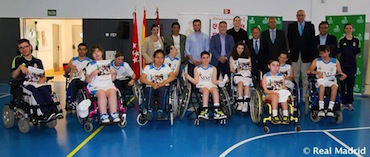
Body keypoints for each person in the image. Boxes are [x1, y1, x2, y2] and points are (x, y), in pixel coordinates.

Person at [11, 39, 61, 121]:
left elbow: (43, 75)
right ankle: (43, 112)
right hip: (24, 84)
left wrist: (43, 79)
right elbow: (13, 76)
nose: (24, 49)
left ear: (30, 47)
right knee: (34, 91)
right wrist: (20, 67)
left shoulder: (37, 61)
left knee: (45, 89)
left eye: (26, 46)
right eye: (21, 48)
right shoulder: (17, 60)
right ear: (19, 50)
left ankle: (53, 110)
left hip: (37, 82)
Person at [184, 51, 227, 120]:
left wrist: (222, 81)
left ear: (209, 59)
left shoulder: (213, 68)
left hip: (211, 84)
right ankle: (205, 110)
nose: (205, 60)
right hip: (202, 85)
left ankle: (217, 110)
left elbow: (214, 81)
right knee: (206, 91)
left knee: (215, 90)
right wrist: (188, 76)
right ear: (200, 59)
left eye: (207, 58)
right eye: (203, 58)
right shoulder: (197, 69)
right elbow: (196, 81)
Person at [307, 45, 346, 117]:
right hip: (321, 80)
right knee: (322, 87)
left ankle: (330, 108)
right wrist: (317, 72)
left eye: (323, 53)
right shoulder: (317, 61)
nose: (322, 55)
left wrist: (343, 75)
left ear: (328, 52)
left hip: (331, 80)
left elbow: (340, 72)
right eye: (321, 53)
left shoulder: (335, 61)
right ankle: (321, 108)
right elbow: (309, 71)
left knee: (334, 87)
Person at [84, 45, 119, 123]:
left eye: (98, 51)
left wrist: (114, 74)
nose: (96, 54)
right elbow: (87, 80)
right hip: (96, 86)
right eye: (94, 52)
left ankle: (114, 113)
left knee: (112, 92)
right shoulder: (90, 65)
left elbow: (112, 79)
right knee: (101, 93)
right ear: (92, 55)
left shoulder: (108, 63)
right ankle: (103, 115)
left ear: (102, 52)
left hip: (108, 85)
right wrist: (92, 74)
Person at [287, 10, 315, 103]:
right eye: (298, 15)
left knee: (305, 77)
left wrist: (310, 56)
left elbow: (312, 42)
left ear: (305, 16)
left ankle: (305, 97)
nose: (300, 17)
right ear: (296, 16)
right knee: (295, 77)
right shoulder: (291, 26)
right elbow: (289, 40)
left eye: (302, 15)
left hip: (306, 56)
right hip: (295, 55)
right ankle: (295, 96)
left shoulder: (310, 26)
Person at [140, 49, 176, 120]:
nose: (159, 60)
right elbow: (142, 78)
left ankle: (160, 111)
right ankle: (149, 111)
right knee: (149, 89)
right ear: (154, 58)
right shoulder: (148, 67)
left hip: (163, 86)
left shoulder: (166, 67)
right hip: (151, 86)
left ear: (164, 59)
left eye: (162, 58)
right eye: (158, 57)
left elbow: (173, 76)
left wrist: (163, 83)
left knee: (163, 89)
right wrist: (152, 84)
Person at [262, 59, 291, 124]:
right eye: (273, 65)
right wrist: (274, 92)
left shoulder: (281, 76)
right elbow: (265, 90)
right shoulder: (266, 76)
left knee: (284, 96)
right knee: (275, 96)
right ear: (269, 66)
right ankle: (275, 115)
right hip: (268, 94)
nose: (275, 67)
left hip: (279, 93)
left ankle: (285, 115)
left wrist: (285, 89)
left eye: (277, 65)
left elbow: (283, 86)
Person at [338, 23, 360, 111]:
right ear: (344, 30)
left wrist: (352, 61)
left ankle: (349, 103)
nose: (348, 29)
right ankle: (343, 102)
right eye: (346, 28)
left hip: (352, 65)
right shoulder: (342, 40)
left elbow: (357, 54)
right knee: (342, 84)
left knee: (350, 84)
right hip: (343, 65)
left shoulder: (356, 40)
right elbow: (339, 54)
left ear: (352, 29)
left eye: (350, 28)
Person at [64, 43, 91, 109]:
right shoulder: (73, 60)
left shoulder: (89, 61)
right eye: (80, 49)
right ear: (78, 50)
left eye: (83, 49)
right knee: (74, 82)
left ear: (86, 51)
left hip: (84, 80)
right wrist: (70, 67)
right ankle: (73, 101)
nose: (82, 51)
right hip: (74, 79)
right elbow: (66, 72)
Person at [229, 42, 252, 112]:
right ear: (236, 48)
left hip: (246, 74)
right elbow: (231, 70)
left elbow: (251, 68)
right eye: (239, 48)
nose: (240, 50)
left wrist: (248, 68)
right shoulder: (232, 57)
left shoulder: (248, 57)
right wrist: (237, 69)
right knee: (240, 82)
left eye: (242, 48)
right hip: (238, 74)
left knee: (247, 84)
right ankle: (240, 101)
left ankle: (245, 102)